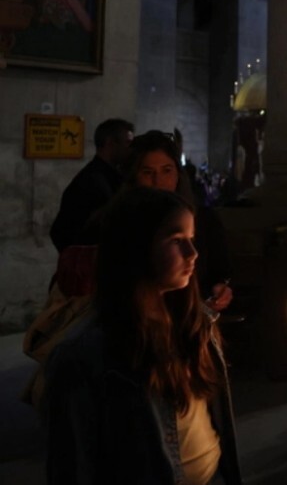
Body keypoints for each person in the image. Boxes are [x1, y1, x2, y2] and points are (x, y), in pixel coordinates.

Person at [43, 186, 242, 484]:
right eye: (177, 241)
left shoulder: (195, 323)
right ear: (135, 247)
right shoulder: (86, 356)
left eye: (191, 239)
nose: (193, 253)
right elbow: (74, 466)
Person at [124, 131, 233, 311]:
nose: (158, 181)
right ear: (134, 176)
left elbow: (220, 269)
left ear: (177, 173)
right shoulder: (119, 221)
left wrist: (220, 289)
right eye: (147, 172)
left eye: (167, 170)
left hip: (192, 318)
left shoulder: (203, 218)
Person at [50, 118, 134, 252]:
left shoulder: (110, 176)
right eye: (128, 143)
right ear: (110, 143)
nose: (131, 150)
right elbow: (61, 232)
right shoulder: (92, 181)